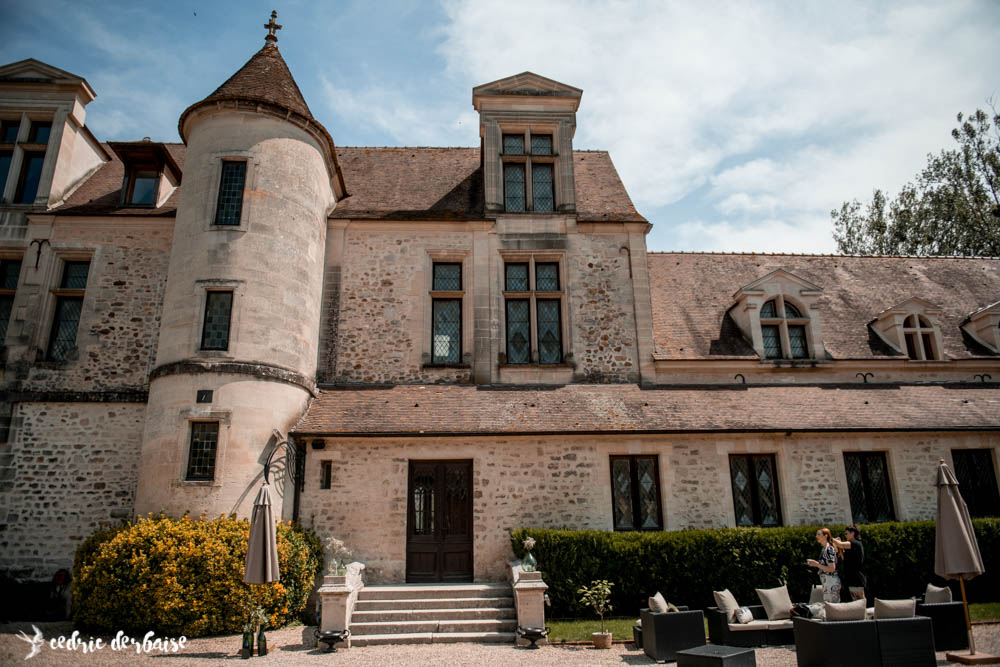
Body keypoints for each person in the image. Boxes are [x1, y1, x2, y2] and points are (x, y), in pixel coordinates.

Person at [806, 527, 842, 602]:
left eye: (819, 534)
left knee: (833, 608)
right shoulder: (825, 548)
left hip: (831, 582)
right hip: (828, 582)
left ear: (825, 536)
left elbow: (832, 568)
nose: (816, 536)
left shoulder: (829, 549)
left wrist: (816, 564)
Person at [832, 525, 866, 601]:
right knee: (855, 599)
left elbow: (841, 544)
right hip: (851, 576)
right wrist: (840, 547)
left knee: (860, 599)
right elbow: (843, 557)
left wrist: (830, 538)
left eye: (846, 533)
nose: (845, 535)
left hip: (856, 577)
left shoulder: (855, 543)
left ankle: (863, 612)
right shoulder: (851, 545)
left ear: (852, 533)